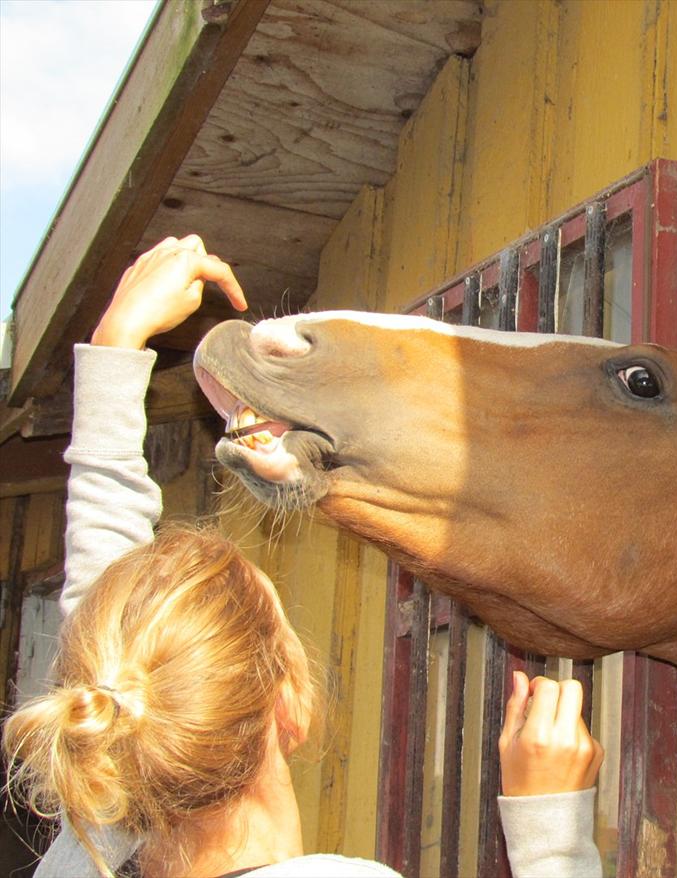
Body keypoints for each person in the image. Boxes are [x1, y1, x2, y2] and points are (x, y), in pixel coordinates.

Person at [2, 237, 604, 878]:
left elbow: (109, 617)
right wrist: (552, 840)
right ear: (293, 704)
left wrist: (117, 345)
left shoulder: (86, 848)